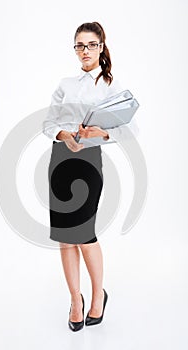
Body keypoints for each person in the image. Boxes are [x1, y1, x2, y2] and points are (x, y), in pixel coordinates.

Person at [42, 21, 137, 332]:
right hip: (60, 161)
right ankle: (75, 300)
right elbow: (47, 123)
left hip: (88, 163)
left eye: (91, 45)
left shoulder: (112, 86)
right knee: (65, 240)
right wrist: (62, 133)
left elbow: (131, 128)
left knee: (84, 235)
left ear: (101, 46)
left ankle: (98, 295)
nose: (85, 51)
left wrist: (103, 133)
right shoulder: (65, 84)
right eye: (79, 45)